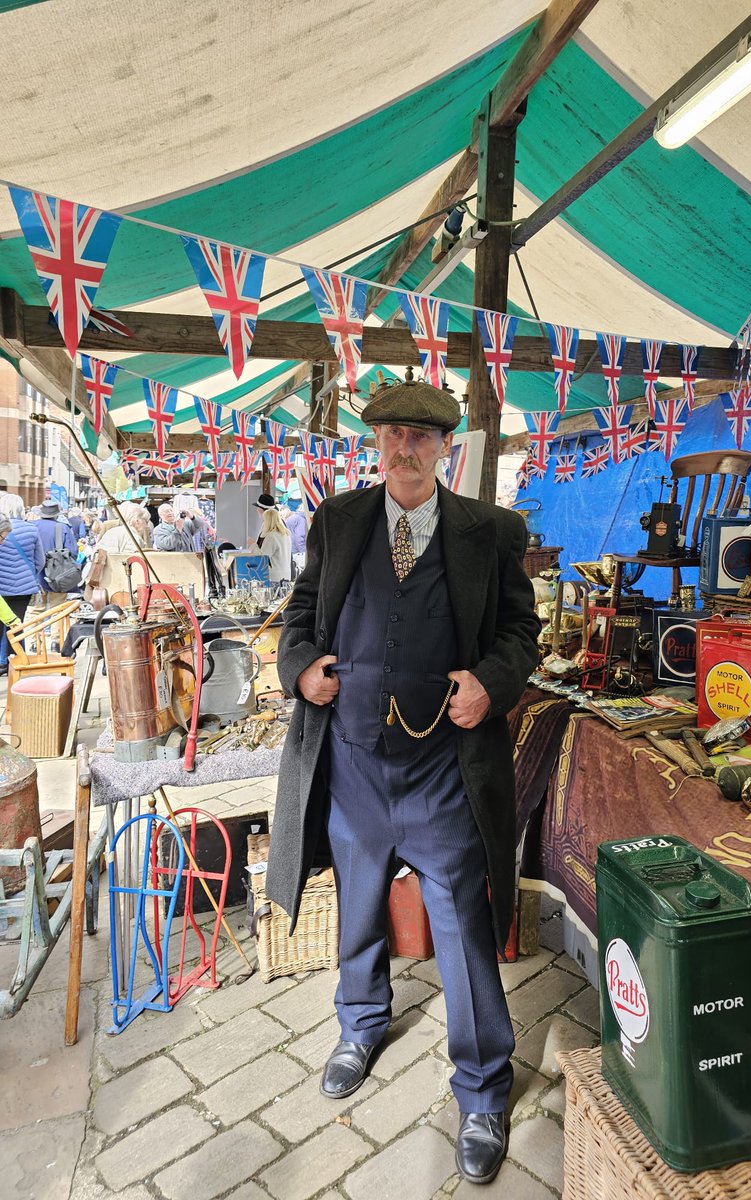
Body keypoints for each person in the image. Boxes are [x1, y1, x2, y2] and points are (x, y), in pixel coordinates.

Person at [266, 379, 540, 1185]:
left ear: (445, 446)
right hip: (351, 761)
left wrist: (493, 678)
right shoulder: (339, 519)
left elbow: (522, 631)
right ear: (376, 442)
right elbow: (300, 613)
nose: (406, 450)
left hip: (441, 771)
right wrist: (299, 669)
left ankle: (484, 1087)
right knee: (357, 902)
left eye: (422, 437)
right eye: (392, 435)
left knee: (462, 923)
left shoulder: (490, 531)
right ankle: (359, 1023)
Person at [0, 493, 45, 674]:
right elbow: (40, 560)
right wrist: (29, 574)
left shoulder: (5, 529)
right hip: (23, 588)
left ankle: (2, 661)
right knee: (17, 626)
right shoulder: (31, 529)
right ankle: (17, 664)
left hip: (1, 587)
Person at [34, 498, 78, 606]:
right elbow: (73, 553)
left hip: (35, 575)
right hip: (58, 574)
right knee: (57, 609)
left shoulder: (30, 526)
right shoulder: (63, 527)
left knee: (35, 610)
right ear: (57, 514)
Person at [254, 494, 292, 584]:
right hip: (285, 576)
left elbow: (263, 557)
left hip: (274, 578)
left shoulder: (272, 535)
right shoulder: (285, 532)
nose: (257, 510)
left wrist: (252, 545)